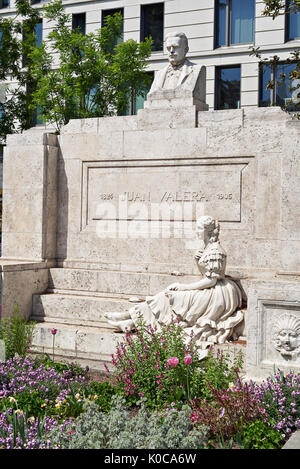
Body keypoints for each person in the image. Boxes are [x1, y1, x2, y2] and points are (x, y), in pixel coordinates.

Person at [106, 216, 244, 346]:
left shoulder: (216, 251)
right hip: (210, 289)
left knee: (172, 297)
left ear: (207, 231)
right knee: (168, 296)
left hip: (217, 294)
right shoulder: (206, 248)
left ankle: (131, 319)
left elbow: (211, 281)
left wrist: (185, 287)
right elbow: (205, 275)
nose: (196, 231)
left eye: (199, 228)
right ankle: (130, 317)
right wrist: (198, 261)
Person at [147, 31, 206, 106]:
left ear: (186, 49)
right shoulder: (159, 74)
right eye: (168, 48)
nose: (171, 51)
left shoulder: (197, 70)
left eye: (175, 47)